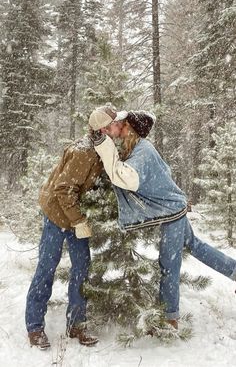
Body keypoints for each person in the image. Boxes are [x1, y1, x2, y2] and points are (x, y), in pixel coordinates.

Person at [89, 109, 236, 330]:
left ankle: (169, 318)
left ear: (128, 128)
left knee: (169, 264)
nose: (110, 132)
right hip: (172, 208)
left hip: (172, 213)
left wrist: (103, 146)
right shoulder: (136, 147)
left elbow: (124, 177)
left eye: (114, 126)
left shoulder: (144, 152)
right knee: (194, 245)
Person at [25, 106, 125, 349]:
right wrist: (78, 221)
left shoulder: (103, 148)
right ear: (104, 129)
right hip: (57, 213)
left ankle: (76, 324)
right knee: (47, 267)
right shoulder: (84, 152)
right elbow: (63, 189)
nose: (120, 127)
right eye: (116, 124)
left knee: (82, 267)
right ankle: (35, 326)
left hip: (75, 212)